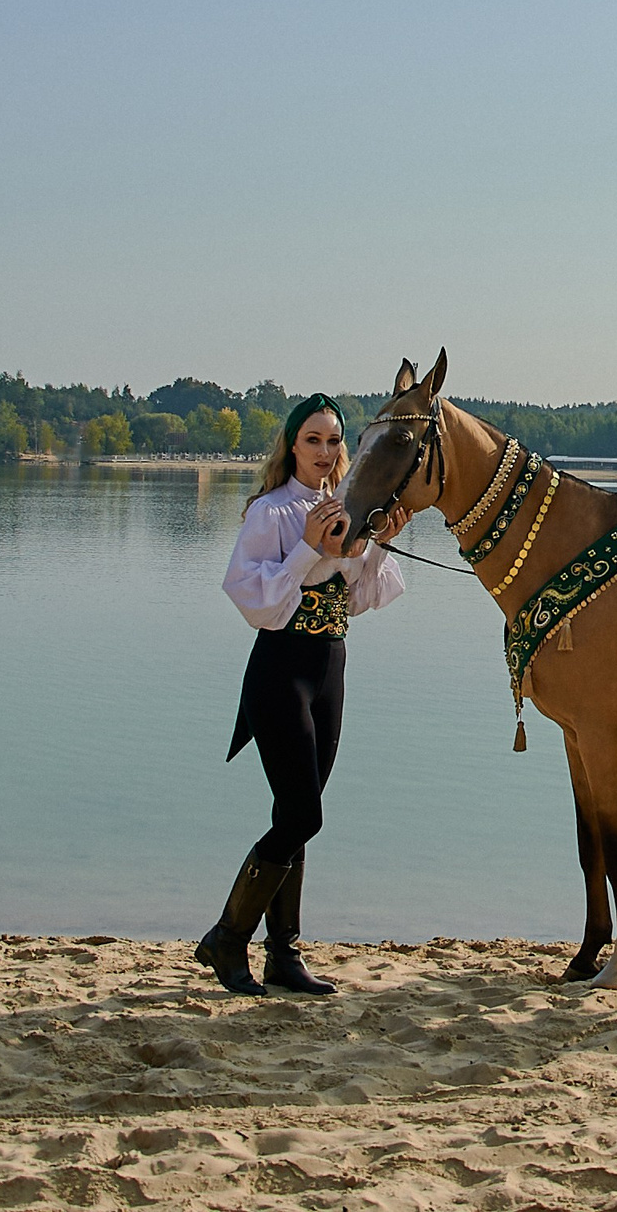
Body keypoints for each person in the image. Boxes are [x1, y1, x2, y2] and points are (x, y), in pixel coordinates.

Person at [202, 393, 411, 996]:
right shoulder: (270, 513)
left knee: (296, 816)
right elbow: (253, 602)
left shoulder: (353, 507)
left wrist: (379, 541)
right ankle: (226, 938)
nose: (324, 452)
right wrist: (309, 549)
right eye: (313, 440)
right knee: (302, 814)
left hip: (330, 669)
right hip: (280, 672)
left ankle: (283, 955)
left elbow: (366, 597)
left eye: (333, 441)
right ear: (292, 446)